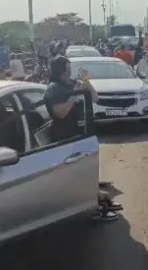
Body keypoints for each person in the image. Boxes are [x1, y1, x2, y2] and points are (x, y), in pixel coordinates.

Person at [44, 56, 122, 221]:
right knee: (74, 176)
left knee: (86, 172)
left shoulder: (72, 83)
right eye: (67, 68)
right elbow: (60, 113)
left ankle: (99, 202)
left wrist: (86, 82)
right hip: (65, 139)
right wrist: (74, 94)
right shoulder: (54, 89)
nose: (70, 71)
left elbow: (95, 98)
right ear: (61, 70)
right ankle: (92, 209)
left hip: (81, 135)